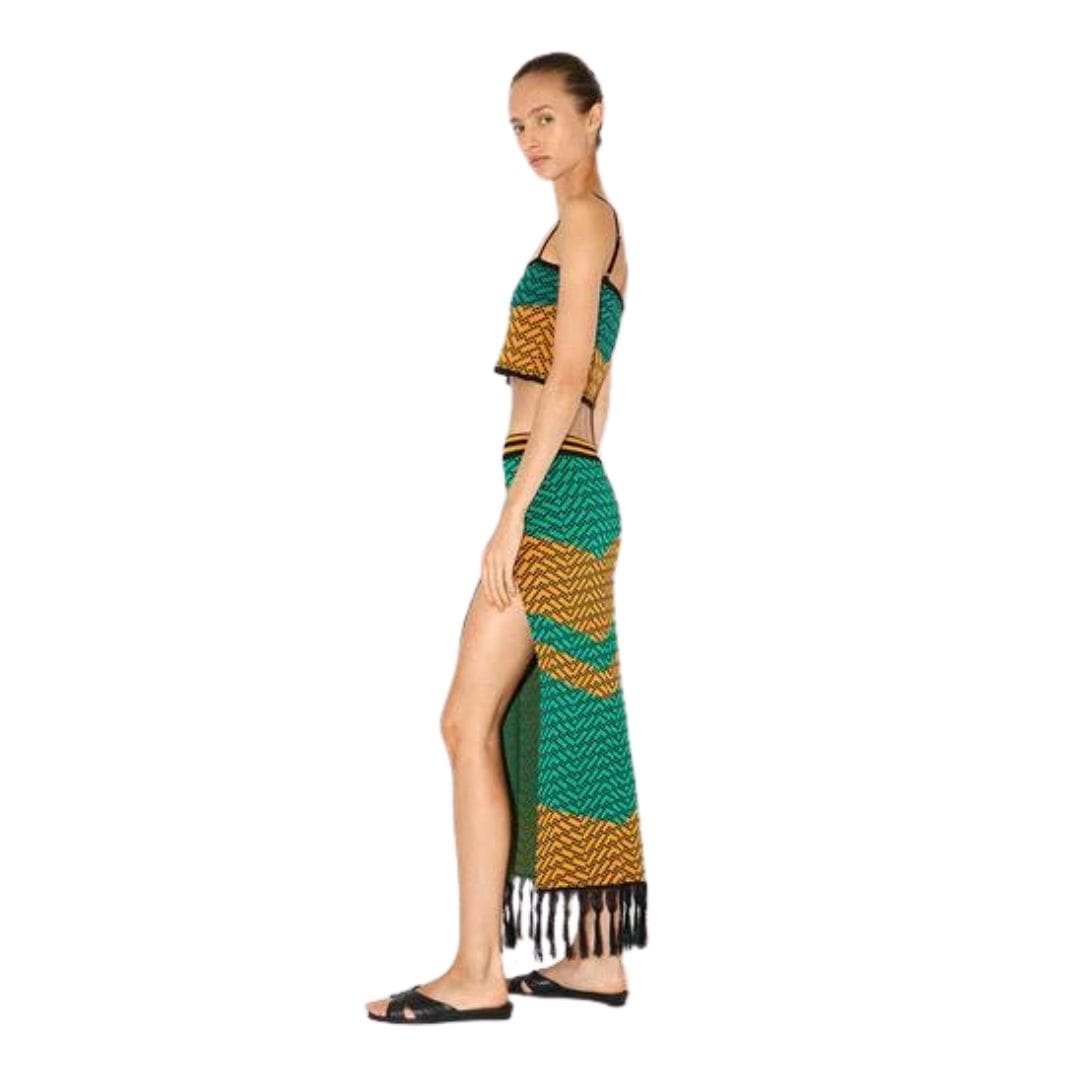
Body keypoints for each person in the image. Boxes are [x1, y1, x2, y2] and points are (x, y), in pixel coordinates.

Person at [367, 52, 647, 1026]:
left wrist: (517, 511)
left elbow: (567, 379)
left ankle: (476, 971)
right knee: (561, 716)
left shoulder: (587, 219)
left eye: (545, 118)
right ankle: (594, 961)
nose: (530, 139)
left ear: (593, 116)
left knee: (464, 720)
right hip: (571, 487)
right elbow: (598, 390)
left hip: (552, 494)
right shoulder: (587, 229)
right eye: (517, 126)